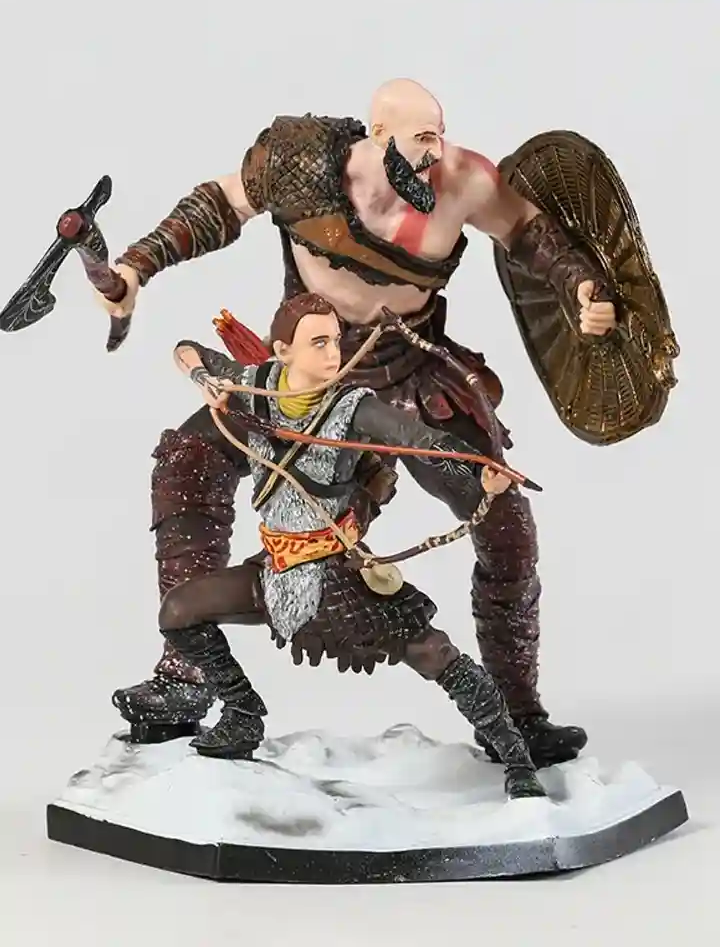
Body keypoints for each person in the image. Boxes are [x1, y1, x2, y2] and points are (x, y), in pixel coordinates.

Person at [101, 77, 615, 766]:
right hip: (301, 384)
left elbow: (530, 232)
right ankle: (186, 677)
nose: (435, 153)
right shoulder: (297, 162)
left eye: (439, 135)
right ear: (379, 136)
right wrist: (136, 268)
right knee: (189, 459)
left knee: (505, 523)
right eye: (421, 139)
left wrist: (582, 287)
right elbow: (219, 204)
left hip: (411, 383)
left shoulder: (462, 181)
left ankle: (518, 712)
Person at [157, 292, 547, 801]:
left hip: (333, 575)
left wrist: (478, 471)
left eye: (336, 341)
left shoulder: (352, 407)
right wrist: (203, 379)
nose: (333, 354)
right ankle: (242, 713)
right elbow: (187, 349)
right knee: (179, 611)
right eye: (318, 343)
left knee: (433, 651)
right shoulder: (254, 387)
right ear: (283, 351)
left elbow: (417, 438)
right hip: (275, 567)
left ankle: (517, 758)